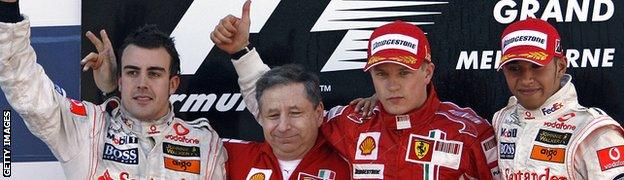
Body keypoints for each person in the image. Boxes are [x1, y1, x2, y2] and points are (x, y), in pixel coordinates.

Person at [211, 4, 500, 178]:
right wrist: (242, 53)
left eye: (404, 73)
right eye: (381, 74)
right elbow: (281, 104)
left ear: (428, 72)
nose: (393, 84)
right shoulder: (352, 122)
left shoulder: (470, 132)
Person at [0, 1, 226, 179]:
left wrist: (242, 54)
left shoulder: (203, 143)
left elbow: (263, 112)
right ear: (120, 81)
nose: (142, 83)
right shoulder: (86, 129)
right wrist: (7, 6)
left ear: (173, 84)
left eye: (154, 73)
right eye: (132, 72)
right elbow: (23, 83)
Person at [492, 18, 624, 179]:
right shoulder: (502, 120)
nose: (526, 79)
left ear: (560, 66)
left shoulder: (594, 132)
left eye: (537, 67)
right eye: (514, 69)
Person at [223, 64, 350, 180]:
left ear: (318, 114)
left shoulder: (351, 165)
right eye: (273, 115)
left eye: (295, 113)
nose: (283, 127)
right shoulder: (227, 156)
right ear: (261, 117)